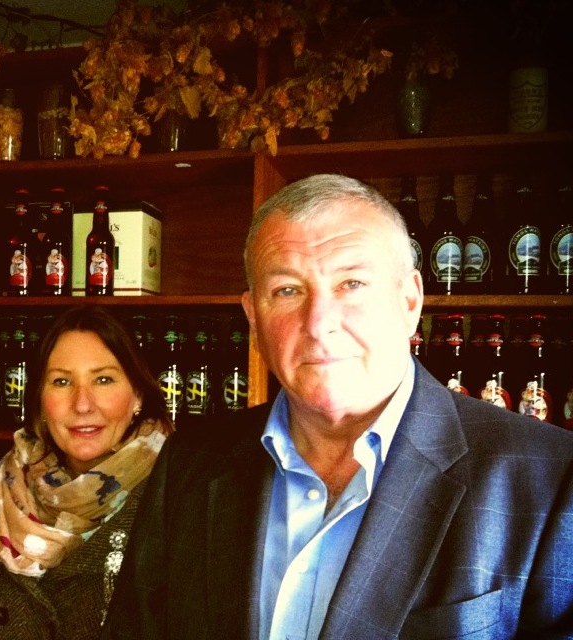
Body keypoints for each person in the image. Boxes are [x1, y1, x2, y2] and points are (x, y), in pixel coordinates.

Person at [101, 174, 573, 639]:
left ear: (410, 301)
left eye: (351, 283)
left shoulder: (548, 480)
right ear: (253, 317)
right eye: (287, 290)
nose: (319, 322)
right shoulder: (191, 462)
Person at [0, 304, 173, 640]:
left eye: (103, 380)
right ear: (40, 400)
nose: (82, 404)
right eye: (62, 381)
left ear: (137, 394)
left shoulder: (179, 501)